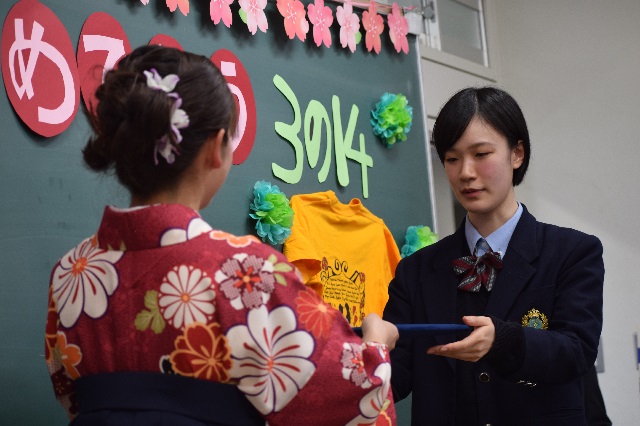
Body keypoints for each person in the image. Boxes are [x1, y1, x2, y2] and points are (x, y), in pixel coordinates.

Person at [44, 45, 399, 426]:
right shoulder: (246, 272)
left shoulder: (70, 273)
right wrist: (376, 345)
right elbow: (344, 396)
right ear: (216, 147)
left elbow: (70, 394)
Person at [383, 87, 604, 425]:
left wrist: (504, 340)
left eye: (481, 154)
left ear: (517, 154)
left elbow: (577, 351)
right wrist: (366, 350)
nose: (465, 173)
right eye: (452, 159)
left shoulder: (571, 252)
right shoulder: (416, 271)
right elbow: (395, 378)